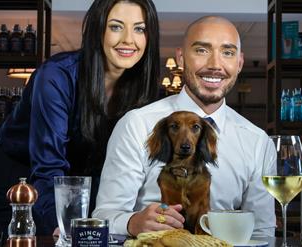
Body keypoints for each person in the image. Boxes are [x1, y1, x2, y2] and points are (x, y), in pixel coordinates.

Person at [0, 0, 160, 237]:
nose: (129, 39)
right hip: (26, 176)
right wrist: (58, 226)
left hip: (84, 180)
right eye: (116, 27)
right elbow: (48, 166)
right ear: (97, 30)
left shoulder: (144, 86)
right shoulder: (56, 76)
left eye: (139, 28)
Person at [93, 16, 277, 237]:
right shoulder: (136, 125)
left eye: (227, 52)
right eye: (201, 50)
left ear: (239, 63)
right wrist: (133, 222)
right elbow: (104, 216)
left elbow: (261, 232)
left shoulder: (257, 142)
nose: (215, 65)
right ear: (181, 58)